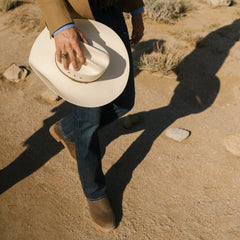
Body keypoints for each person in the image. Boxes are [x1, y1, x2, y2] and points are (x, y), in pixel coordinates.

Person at [36, 0, 144, 232]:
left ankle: (67, 129)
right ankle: (95, 193)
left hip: (113, 12)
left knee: (125, 102)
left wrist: (136, 10)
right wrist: (62, 26)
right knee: (88, 120)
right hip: (75, 20)